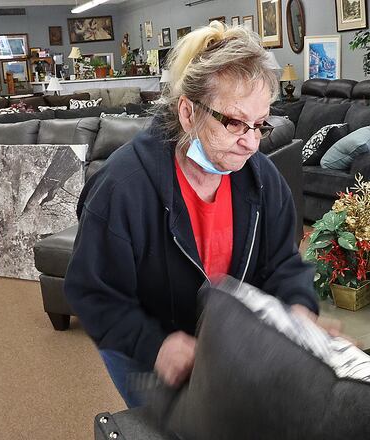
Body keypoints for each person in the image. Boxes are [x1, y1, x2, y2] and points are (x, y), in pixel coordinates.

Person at [63, 22, 319, 408]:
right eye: (234, 122)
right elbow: (92, 291)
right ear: (187, 112)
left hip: (223, 342)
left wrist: (299, 309)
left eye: (260, 124)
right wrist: (157, 346)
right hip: (146, 348)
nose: (251, 142)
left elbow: (282, 262)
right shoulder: (122, 187)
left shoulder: (261, 179)